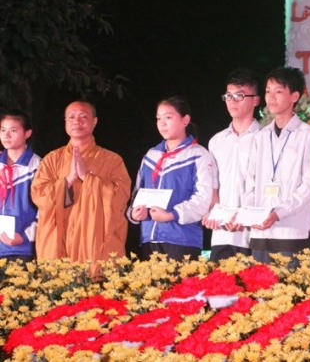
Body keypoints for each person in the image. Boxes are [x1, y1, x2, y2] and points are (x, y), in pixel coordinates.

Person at [32, 101, 131, 273]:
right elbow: (39, 196)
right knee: (59, 286)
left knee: (97, 286)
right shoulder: (52, 159)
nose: (76, 121)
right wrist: (68, 180)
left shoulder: (112, 160)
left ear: (94, 121)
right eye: (71, 117)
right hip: (60, 239)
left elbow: (121, 196)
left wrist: (87, 177)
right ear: (65, 123)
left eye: (83, 117)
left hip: (95, 241)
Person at [243, 67, 310, 263]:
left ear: (294, 96)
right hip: (261, 231)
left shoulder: (306, 134)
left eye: (278, 91)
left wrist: (279, 213)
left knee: (289, 282)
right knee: (258, 282)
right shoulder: (261, 136)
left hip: (292, 230)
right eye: (268, 91)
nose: (271, 97)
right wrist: (253, 213)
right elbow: (250, 181)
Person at [128, 96, 214, 261]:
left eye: (168, 117)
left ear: (185, 120)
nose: (162, 123)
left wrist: (171, 215)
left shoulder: (198, 155)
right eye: (158, 118)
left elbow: (203, 199)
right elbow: (137, 194)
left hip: (183, 240)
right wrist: (135, 213)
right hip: (149, 240)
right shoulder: (151, 156)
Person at [202, 69, 261, 262]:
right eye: (229, 96)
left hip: (253, 233)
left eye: (239, 96)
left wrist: (245, 217)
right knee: (220, 280)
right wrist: (212, 212)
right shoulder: (216, 141)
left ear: (256, 100)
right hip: (222, 233)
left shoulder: (265, 138)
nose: (232, 101)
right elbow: (213, 185)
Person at [0, 110, 41, 263]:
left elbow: (46, 211)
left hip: (23, 249)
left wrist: (25, 236)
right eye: (2, 130)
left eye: (13, 130)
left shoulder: (38, 166)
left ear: (27, 133)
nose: (6, 135)